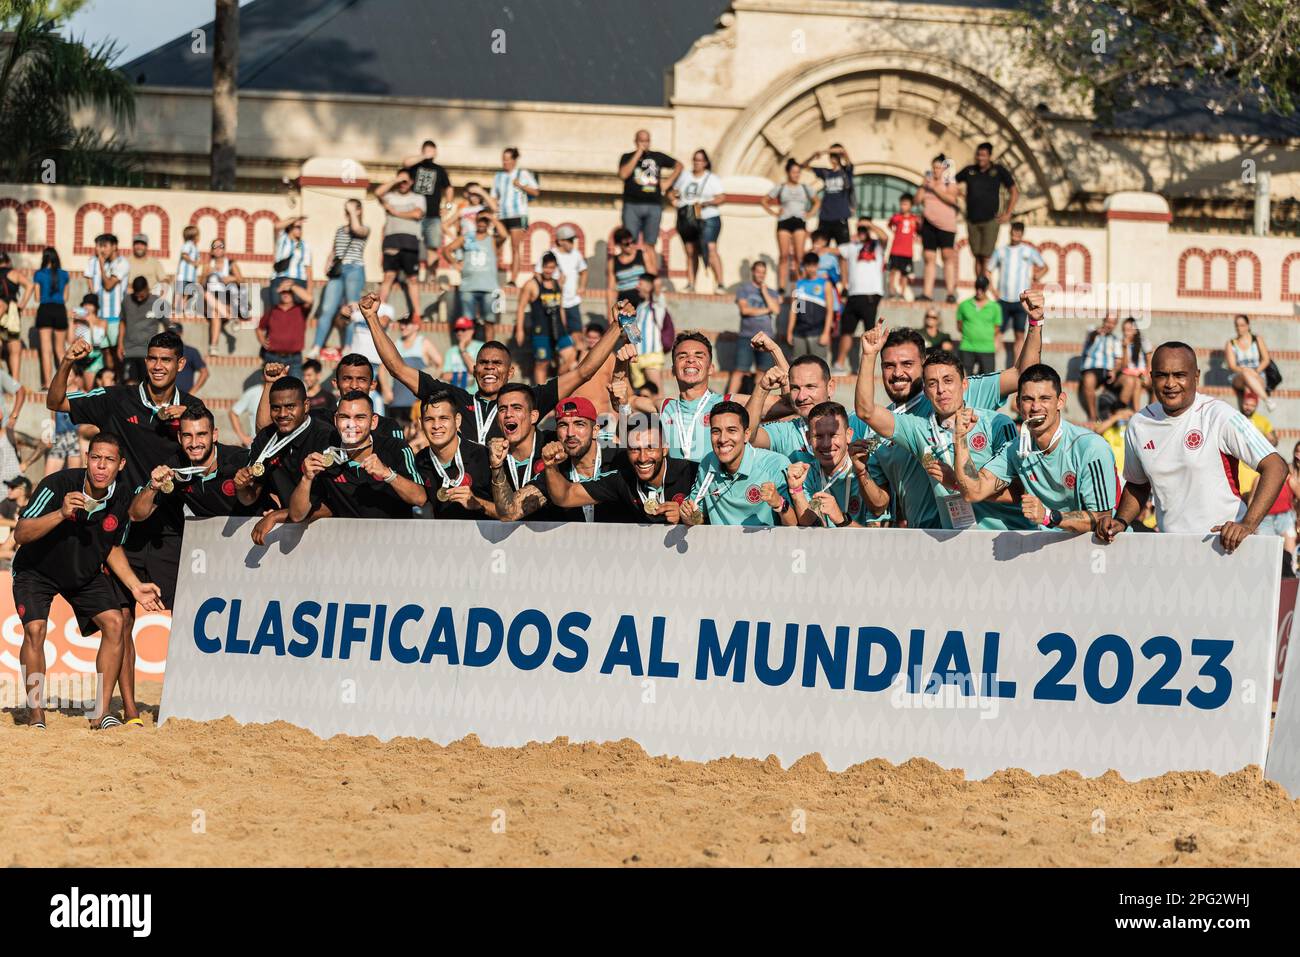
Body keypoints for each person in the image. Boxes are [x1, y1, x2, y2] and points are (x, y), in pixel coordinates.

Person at [13, 432, 164, 729]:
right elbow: (20, 534)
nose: (101, 466)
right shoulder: (57, 484)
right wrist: (60, 513)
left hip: (81, 572)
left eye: (109, 460)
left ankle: (101, 712)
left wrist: (135, 586)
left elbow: (111, 547)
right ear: (87, 458)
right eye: (96, 458)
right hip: (36, 570)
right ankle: (36, 715)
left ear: (120, 464)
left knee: (116, 623)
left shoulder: (122, 497)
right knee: (35, 630)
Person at [854, 297, 1046, 528]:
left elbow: (1023, 376)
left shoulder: (984, 409)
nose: (898, 373)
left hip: (1003, 537)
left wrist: (1035, 323)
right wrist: (868, 355)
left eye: (907, 364)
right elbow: (866, 411)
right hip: (936, 542)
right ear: (927, 388)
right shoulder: (911, 428)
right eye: (889, 365)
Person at [47, 331, 195, 632]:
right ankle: (124, 684)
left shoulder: (193, 410)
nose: (157, 366)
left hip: (171, 530)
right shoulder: (117, 399)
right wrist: (66, 363)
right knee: (122, 622)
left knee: (187, 615)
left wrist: (189, 421)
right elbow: (56, 401)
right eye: (152, 358)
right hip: (121, 530)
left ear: (180, 364)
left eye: (165, 360)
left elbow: (207, 458)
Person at [362, 291, 628, 447]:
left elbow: (583, 372)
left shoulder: (528, 400)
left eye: (497, 363)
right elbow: (398, 368)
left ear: (510, 372)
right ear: (474, 369)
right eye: (484, 363)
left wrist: (616, 327)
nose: (489, 368)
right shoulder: (455, 399)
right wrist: (372, 318)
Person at [1097, 342, 1287, 552]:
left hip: (1225, 546)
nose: (1170, 383)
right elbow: (1138, 485)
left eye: (1179, 375)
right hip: (1173, 549)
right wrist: (1122, 521)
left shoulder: (1218, 415)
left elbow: (1276, 466)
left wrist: (1248, 524)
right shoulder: (1139, 423)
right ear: (1151, 378)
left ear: (1195, 377)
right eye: (1162, 375)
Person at [950, 364, 1118, 533]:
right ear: (1017, 403)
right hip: (1047, 549)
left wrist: (1048, 516)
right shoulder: (1016, 449)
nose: (1036, 407)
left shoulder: (1090, 448)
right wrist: (960, 437)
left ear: (1060, 401)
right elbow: (974, 491)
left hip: (1098, 551)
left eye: (1045, 398)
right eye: (1028, 399)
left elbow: (1102, 518)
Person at [288, 391, 425, 522]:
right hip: (349, 543)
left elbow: (420, 499)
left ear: (373, 422)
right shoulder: (324, 456)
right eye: (344, 417)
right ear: (335, 421)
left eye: (360, 417)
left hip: (395, 541)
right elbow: (296, 516)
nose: (351, 424)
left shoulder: (396, 448)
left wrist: (387, 474)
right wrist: (306, 478)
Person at [235, 374, 336, 545]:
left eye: (290, 406)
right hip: (289, 531)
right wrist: (241, 487)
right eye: (276, 408)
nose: (282, 414)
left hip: (331, 533)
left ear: (305, 406)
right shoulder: (265, 439)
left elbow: (331, 506)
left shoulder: (326, 437)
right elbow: (250, 498)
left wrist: (277, 516)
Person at [542, 417, 698, 525]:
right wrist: (551, 467)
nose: (643, 458)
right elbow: (565, 496)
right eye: (635, 449)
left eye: (650, 448)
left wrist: (688, 519)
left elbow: (713, 517)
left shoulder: (691, 472)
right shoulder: (621, 478)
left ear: (664, 448)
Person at [130, 403, 266, 524]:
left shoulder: (239, 459)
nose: (194, 443)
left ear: (214, 435)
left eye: (201, 434)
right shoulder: (176, 467)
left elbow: (257, 497)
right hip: (212, 542)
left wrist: (242, 487)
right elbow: (135, 515)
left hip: (255, 535)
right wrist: (152, 487)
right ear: (179, 437)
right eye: (187, 435)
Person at [678, 401, 796, 528]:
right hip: (721, 546)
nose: (722, 439)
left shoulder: (775, 464)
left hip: (766, 546)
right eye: (716, 431)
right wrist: (689, 516)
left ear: (746, 435)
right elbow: (698, 516)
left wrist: (779, 503)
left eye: (731, 430)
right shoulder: (708, 463)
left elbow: (793, 525)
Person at [746, 354, 870, 459]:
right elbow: (748, 437)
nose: (801, 397)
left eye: (810, 386)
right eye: (795, 388)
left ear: (830, 387)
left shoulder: (856, 423)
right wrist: (761, 389)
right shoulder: (786, 432)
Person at [538, 396, 633, 523]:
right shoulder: (555, 468)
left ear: (595, 431)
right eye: (563, 425)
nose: (570, 432)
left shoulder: (620, 458)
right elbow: (509, 513)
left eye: (579, 424)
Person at [784, 401, 875, 528]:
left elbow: (877, 538)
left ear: (848, 435)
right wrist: (797, 492)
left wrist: (841, 519)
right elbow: (812, 530)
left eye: (833, 435)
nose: (827, 444)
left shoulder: (867, 468)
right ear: (808, 438)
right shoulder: (806, 474)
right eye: (818, 436)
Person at [415, 388, 496, 520]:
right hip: (443, 539)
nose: (436, 425)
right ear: (420, 423)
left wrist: (479, 504)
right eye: (429, 419)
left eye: (443, 418)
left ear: (457, 420)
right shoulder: (420, 460)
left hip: (484, 539)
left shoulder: (483, 456)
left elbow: (508, 513)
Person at [485, 384, 556, 521]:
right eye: (502, 409)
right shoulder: (489, 455)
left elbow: (508, 513)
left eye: (517, 408)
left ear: (533, 416)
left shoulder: (553, 449)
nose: (508, 414)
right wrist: (496, 466)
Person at [309, 199, 369, 359]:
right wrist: (328, 263)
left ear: (359, 211)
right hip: (338, 271)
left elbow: (357, 229)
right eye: (346, 209)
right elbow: (335, 250)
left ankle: (348, 346)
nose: (347, 212)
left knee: (352, 309)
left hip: (355, 269)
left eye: (351, 209)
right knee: (327, 309)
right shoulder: (340, 230)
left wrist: (352, 212)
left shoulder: (364, 229)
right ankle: (316, 346)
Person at [832, 219, 892, 375]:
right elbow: (835, 251)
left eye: (864, 230)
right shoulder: (851, 246)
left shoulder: (877, 246)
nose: (862, 232)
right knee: (846, 331)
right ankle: (839, 364)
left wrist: (870, 225)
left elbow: (885, 237)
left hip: (871, 295)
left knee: (870, 332)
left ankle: (868, 368)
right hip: (853, 295)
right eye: (860, 229)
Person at [618, 129, 680, 272]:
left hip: (653, 205)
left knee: (650, 243)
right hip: (632, 204)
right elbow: (623, 174)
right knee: (629, 241)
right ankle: (631, 272)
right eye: (641, 141)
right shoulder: (627, 157)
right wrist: (638, 154)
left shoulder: (657, 156)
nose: (644, 144)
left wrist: (668, 182)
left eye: (646, 141)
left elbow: (679, 165)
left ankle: (652, 275)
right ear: (636, 141)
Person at [955, 143, 1018, 279]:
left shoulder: (998, 171)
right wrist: (960, 195)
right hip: (972, 220)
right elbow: (951, 183)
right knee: (977, 255)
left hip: (990, 220)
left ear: (990, 156)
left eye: (983, 155)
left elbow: (1014, 191)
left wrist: (1008, 213)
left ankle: (985, 287)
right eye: (978, 155)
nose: (980, 158)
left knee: (987, 256)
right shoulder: (969, 170)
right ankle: (979, 286)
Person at [988, 222, 1047, 368]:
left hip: (1022, 300)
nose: (1016, 236)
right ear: (1010, 232)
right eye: (1014, 233)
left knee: (1019, 335)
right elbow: (988, 270)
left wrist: (1036, 277)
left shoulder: (1028, 251)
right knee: (996, 333)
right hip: (1003, 299)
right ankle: (992, 366)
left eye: (1019, 233)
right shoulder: (1001, 251)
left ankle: (1017, 369)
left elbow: (1044, 267)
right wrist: (994, 291)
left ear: (1022, 234)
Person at [443, 210, 507, 341]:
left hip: (489, 287)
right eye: (480, 220)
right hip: (468, 287)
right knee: (467, 322)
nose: (482, 223)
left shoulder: (492, 240)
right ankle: (468, 349)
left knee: (489, 322)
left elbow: (504, 235)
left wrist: (491, 217)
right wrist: (455, 264)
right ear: (475, 221)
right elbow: (447, 250)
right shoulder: (467, 237)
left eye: (485, 221)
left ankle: (490, 350)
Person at [669, 149, 726, 292]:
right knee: (690, 251)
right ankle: (691, 283)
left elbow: (722, 197)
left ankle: (719, 283)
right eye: (695, 160)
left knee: (710, 249)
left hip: (707, 217)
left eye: (700, 160)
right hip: (687, 218)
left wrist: (706, 203)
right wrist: (674, 201)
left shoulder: (712, 178)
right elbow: (672, 191)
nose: (697, 163)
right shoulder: (685, 176)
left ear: (705, 163)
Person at [400, 139, 454, 280]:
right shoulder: (414, 167)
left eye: (432, 151)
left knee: (433, 247)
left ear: (436, 152)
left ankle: (431, 276)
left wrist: (447, 206)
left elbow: (449, 188)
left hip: (433, 216)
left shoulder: (440, 170)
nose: (430, 153)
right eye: (427, 150)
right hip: (414, 215)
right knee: (411, 246)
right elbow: (405, 163)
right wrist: (423, 157)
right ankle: (412, 275)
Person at [376, 170, 425, 320]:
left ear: (411, 182)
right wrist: (395, 180)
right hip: (391, 241)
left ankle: (417, 314)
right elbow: (378, 192)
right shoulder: (390, 196)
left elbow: (417, 214)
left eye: (406, 181)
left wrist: (395, 212)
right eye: (400, 181)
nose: (403, 184)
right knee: (388, 276)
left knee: (412, 278)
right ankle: (378, 310)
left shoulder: (418, 197)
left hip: (410, 241)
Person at [762, 159, 818, 291]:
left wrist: (810, 214)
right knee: (784, 255)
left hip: (799, 221)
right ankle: (781, 286)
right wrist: (774, 213)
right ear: (788, 172)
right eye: (794, 172)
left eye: (798, 172)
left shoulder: (805, 187)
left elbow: (817, 202)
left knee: (799, 256)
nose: (796, 175)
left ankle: (800, 284)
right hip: (784, 221)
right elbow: (764, 201)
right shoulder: (781, 187)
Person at [534, 225, 587, 363]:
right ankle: (558, 364)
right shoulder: (550, 255)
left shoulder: (576, 255)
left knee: (578, 336)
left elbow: (584, 271)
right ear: (560, 240)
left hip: (572, 302)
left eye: (572, 240)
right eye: (569, 240)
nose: (572, 243)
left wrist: (581, 287)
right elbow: (538, 273)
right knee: (554, 337)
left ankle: (577, 365)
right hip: (553, 304)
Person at [514, 252, 569, 385]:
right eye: (546, 267)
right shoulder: (532, 284)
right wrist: (519, 330)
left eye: (552, 268)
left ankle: (558, 386)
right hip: (541, 331)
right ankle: (541, 393)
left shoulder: (557, 284)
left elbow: (561, 307)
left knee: (571, 357)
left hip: (558, 329)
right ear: (542, 266)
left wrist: (565, 326)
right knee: (542, 364)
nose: (549, 271)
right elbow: (521, 307)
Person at [731, 261, 783, 393]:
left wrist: (764, 292)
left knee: (762, 371)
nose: (761, 275)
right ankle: (728, 400)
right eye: (758, 272)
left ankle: (755, 400)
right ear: (753, 272)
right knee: (740, 370)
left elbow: (776, 310)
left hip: (766, 338)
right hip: (746, 336)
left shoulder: (771, 292)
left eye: (763, 272)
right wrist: (767, 310)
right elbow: (745, 310)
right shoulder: (744, 289)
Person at [493, 147, 541, 288]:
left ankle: (513, 279)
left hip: (518, 214)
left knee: (515, 246)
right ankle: (492, 276)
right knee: (496, 244)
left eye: (507, 159)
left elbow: (536, 191)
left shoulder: (522, 173)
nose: (505, 162)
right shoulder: (498, 176)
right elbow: (494, 196)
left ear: (514, 160)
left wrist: (520, 185)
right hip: (502, 214)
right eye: (503, 159)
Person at [915, 155, 960, 302]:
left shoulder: (949, 182)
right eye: (934, 167)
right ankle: (927, 293)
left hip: (946, 225)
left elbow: (952, 199)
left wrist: (934, 188)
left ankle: (950, 293)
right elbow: (917, 200)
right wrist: (923, 185)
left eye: (938, 167)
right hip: (928, 224)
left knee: (947, 257)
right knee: (929, 258)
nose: (935, 170)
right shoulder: (927, 182)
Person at [24, 246, 69, 386]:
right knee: (60, 349)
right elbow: (66, 297)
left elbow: (37, 297)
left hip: (45, 310)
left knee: (46, 349)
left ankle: (48, 383)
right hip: (60, 309)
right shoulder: (65, 274)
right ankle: (68, 380)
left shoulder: (39, 274)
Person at [83, 233, 130, 366]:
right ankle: (110, 383)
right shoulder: (98, 262)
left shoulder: (122, 263)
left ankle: (119, 382)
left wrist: (102, 266)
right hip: (100, 317)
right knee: (105, 351)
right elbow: (91, 283)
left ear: (114, 246)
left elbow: (109, 285)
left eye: (105, 246)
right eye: (100, 246)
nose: (102, 250)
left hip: (116, 316)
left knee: (117, 353)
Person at [388, 316, 442, 426]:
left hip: (416, 403)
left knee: (415, 439)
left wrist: (430, 385)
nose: (403, 326)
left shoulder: (423, 342)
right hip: (397, 402)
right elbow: (383, 368)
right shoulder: (396, 343)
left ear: (416, 326)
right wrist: (386, 389)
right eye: (401, 323)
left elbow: (440, 364)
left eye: (407, 323)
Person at [117, 277, 168, 386]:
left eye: (142, 295)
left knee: (148, 385)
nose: (139, 299)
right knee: (129, 385)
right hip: (129, 351)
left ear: (147, 289)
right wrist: (120, 344)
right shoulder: (127, 301)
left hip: (149, 353)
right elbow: (122, 323)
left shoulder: (157, 303)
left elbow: (167, 325)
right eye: (137, 295)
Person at [257, 281, 313, 380]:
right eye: (283, 292)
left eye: (288, 291)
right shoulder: (273, 310)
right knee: (271, 390)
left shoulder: (301, 309)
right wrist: (261, 340)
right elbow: (259, 328)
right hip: (272, 357)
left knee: (295, 390)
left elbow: (310, 299)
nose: (286, 294)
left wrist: (292, 286)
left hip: (294, 359)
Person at [787, 252, 834, 360]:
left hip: (818, 333)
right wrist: (790, 332)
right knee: (798, 366)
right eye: (808, 265)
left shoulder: (825, 284)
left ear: (817, 266)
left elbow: (830, 311)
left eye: (813, 265)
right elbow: (794, 310)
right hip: (799, 333)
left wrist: (826, 333)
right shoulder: (798, 284)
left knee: (820, 368)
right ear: (804, 266)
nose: (810, 269)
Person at [627, 274, 670, 391]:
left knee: (656, 393)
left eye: (640, 283)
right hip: (637, 358)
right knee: (642, 395)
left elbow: (657, 286)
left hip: (651, 355)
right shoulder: (640, 306)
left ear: (649, 285)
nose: (637, 287)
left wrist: (654, 284)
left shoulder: (657, 303)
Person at [1225, 314, 1276, 411]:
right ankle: (1267, 399)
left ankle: (1247, 413)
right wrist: (1247, 371)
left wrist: (1255, 371)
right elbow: (1232, 366)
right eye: (1237, 325)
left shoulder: (1257, 340)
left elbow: (1266, 359)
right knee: (1245, 375)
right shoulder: (1231, 343)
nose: (1239, 328)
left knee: (1248, 386)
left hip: (1257, 374)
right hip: (1239, 376)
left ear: (1248, 325)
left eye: (1242, 325)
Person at [806, 145, 855, 245]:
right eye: (832, 156)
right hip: (825, 217)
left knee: (843, 251)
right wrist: (813, 156)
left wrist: (824, 151)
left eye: (835, 155)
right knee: (820, 247)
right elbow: (803, 166)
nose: (834, 158)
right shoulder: (826, 172)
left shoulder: (846, 171)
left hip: (840, 217)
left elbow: (843, 150)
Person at [955, 275, 1003, 376]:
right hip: (967, 347)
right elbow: (959, 325)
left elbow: (997, 328)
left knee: (988, 380)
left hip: (987, 348)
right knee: (964, 378)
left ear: (987, 289)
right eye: (977, 287)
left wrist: (985, 336)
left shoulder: (995, 307)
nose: (979, 291)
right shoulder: (964, 305)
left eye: (982, 288)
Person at [202, 239, 243, 356]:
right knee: (205, 294)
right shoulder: (208, 265)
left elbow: (242, 281)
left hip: (226, 297)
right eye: (215, 247)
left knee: (215, 314)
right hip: (210, 298)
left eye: (221, 246)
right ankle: (232, 317)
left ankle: (213, 346)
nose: (218, 249)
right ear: (211, 251)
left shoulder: (230, 264)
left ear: (224, 249)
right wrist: (205, 275)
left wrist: (232, 278)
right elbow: (200, 285)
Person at [1078, 315, 1122, 421]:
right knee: (1088, 380)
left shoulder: (1116, 340)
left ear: (1115, 325)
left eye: (1113, 323)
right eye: (1108, 322)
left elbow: (1118, 360)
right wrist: (1097, 333)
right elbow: (1091, 336)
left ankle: (1116, 417)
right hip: (1091, 368)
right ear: (1104, 321)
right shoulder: (1092, 332)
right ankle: (1093, 417)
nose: (1110, 325)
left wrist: (1114, 371)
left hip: (1108, 370)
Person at [605, 227, 650, 314]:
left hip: (643, 303)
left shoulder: (642, 255)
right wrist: (610, 313)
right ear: (619, 245)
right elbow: (611, 289)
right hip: (624, 305)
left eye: (632, 242)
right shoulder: (613, 262)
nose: (630, 245)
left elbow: (652, 277)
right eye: (626, 244)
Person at [887, 195, 921, 300]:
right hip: (895, 250)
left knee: (905, 273)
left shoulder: (914, 219)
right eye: (901, 204)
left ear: (911, 206)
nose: (903, 206)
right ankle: (891, 292)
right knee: (893, 270)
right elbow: (890, 225)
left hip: (907, 252)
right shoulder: (896, 217)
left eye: (905, 204)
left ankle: (902, 293)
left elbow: (919, 230)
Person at [270, 215, 311, 300]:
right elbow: (276, 226)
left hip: (298, 280)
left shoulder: (303, 245)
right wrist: (294, 219)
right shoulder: (282, 239)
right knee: (277, 305)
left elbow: (308, 268)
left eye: (300, 228)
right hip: (280, 278)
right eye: (297, 227)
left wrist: (309, 290)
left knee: (297, 308)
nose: (300, 230)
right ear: (290, 228)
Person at [441, 317, 484, 394]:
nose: (459, 333)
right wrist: (465, 376)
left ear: (472, 331)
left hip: (474, 395)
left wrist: (463, 350)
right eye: (457, 330)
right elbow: (445, 376)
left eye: (463, 329)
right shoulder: (451, 351)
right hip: (455, 394)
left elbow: (475, 370)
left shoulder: (481, 347)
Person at [1117, 317, 1150, 411]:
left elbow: (1149, 360)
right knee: (1136, 382)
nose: (1126, 333)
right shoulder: (1121, 343)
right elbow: (1124, 366)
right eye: (1124, 330)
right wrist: (1125, 347)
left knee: (1140, 381)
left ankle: (1137, 411)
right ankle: (1136, 411)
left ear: (1135, 331)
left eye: (1129, 330)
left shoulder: (1143, 341)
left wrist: (1148, 374)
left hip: (1142, 373)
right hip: (1128, 373)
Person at [170, 323, 210, 395]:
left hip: (183, 398)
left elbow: (204, 373)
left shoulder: (191, 352)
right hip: (164, 398)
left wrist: (191, 393)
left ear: (181, 333)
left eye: (175, 334)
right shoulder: (161, 352)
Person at [174, 224, 201, 316]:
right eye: (198, 235)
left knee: (188, 292)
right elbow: (184, 255)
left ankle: (184, 307)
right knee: (180, 291)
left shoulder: (195, 247)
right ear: (193, 236)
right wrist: (193, 262)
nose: (199, 237)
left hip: (191, 275)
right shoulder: (188, 245)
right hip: (184, 274)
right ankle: (177, 307)